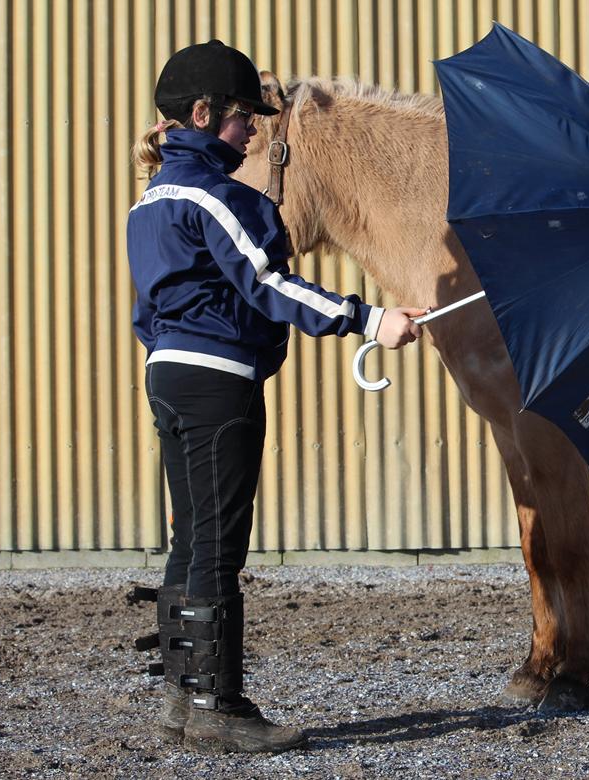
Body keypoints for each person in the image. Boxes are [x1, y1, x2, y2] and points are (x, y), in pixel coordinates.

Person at [126, 40, 424, 753]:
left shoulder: (154, 197)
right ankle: (217, 704)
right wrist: (366, 317)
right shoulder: (215, 196)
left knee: (191, 537)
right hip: (215, 385)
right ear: (201, 114)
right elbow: (266, 283)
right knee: (219, 545)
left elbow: (152, 308)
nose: (253, 131)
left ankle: (181, 695)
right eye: (240, 119)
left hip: (171, 375)